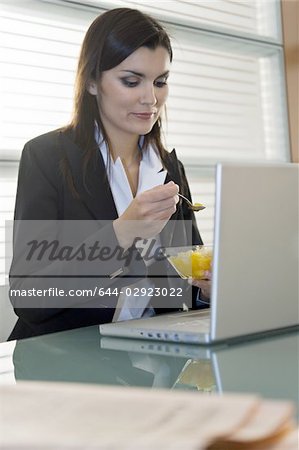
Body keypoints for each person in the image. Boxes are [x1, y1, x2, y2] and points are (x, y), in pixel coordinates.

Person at [8, 7, 210, 341]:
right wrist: (121, 233)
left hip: (151, 359)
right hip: (68, 359)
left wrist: (203, 291)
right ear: (90, 82)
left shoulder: (169, 168)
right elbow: (29, 297)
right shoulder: (46, 157)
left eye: (161, 82)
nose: (151, 98)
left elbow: (177, 287)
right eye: (131, 81)